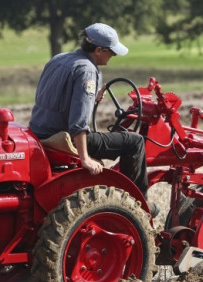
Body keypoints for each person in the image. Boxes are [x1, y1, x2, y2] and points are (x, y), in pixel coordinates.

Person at [29, 23, 159, 217]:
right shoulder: (87, 71)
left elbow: (51, 96)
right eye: (111, 52)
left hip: (40, 130)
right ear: (99, 50)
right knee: (135, 142)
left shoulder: (58, 59)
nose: (113, 56)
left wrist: (92, 97)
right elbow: (78, 123)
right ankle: (140, 207)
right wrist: (85, 159)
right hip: (65, 135)